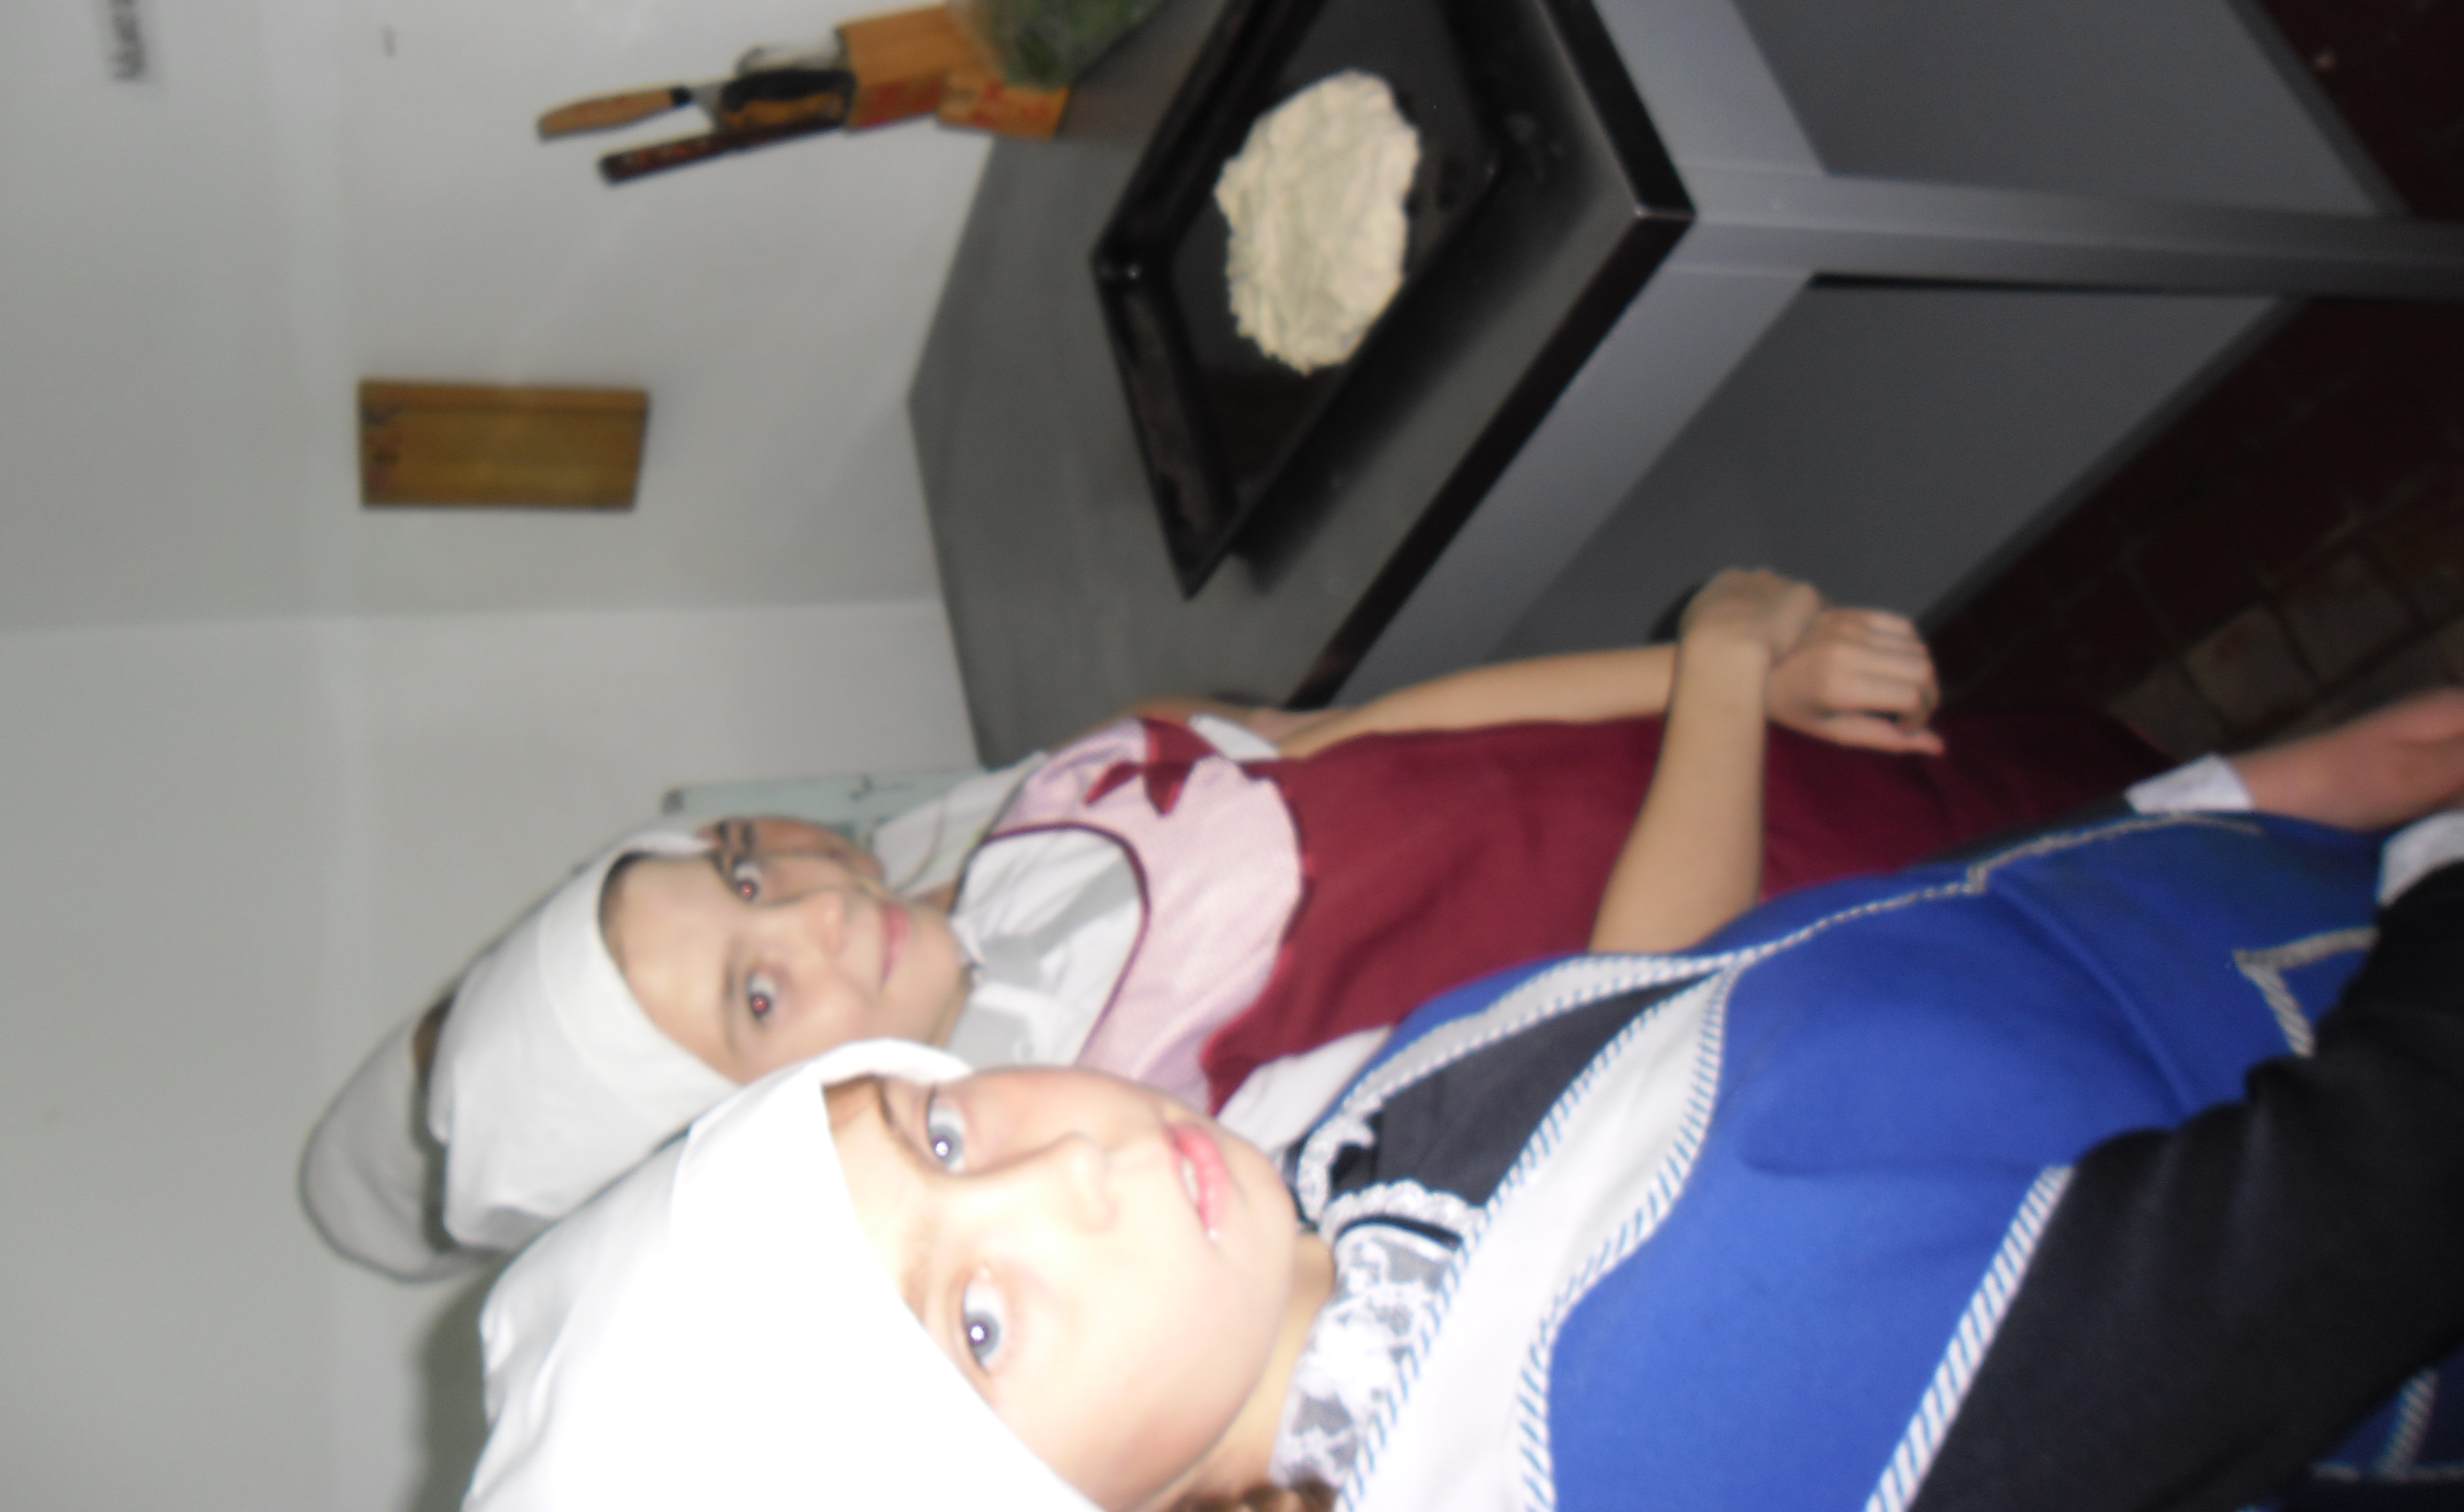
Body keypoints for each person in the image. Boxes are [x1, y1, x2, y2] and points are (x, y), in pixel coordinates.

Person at [460, 697, 2464, 1512]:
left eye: (944, 1137)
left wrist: (2222, 804)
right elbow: (2349, 1232)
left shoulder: (1334, 1185)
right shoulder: (1622, 1424)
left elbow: (1774, 975)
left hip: (2249, 915)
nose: (1066, 1167)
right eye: (978, 1327)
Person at [300, 571, 2164, 1280]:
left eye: (730, 875)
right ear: (774, 1132)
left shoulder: (1030, 830)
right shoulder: (1131, 1141)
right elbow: (1613, 1025)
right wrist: (1724, 688)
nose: (797, 903)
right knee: (2186, 916)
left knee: (2133, 767)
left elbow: (1357, 738)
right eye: (754, 995)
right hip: (1835, 945)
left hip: (1752, 767)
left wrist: (1715, 675)